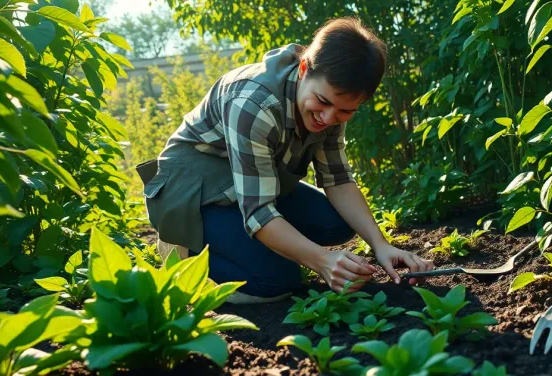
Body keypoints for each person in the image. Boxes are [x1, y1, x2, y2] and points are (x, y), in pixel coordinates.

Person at [137, 17, 434, 303]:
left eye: (345, 112)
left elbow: (338, 179)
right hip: (193, 194)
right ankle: (184, 251)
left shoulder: (330, 101)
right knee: (278, 281)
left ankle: (252, 245)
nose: (329, 118)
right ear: (304, 68)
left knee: (338, 224)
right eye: (324, 102)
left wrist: (380, 245)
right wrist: (320, 260)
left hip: (245, 184)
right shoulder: (253, 103)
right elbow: (258, 211)